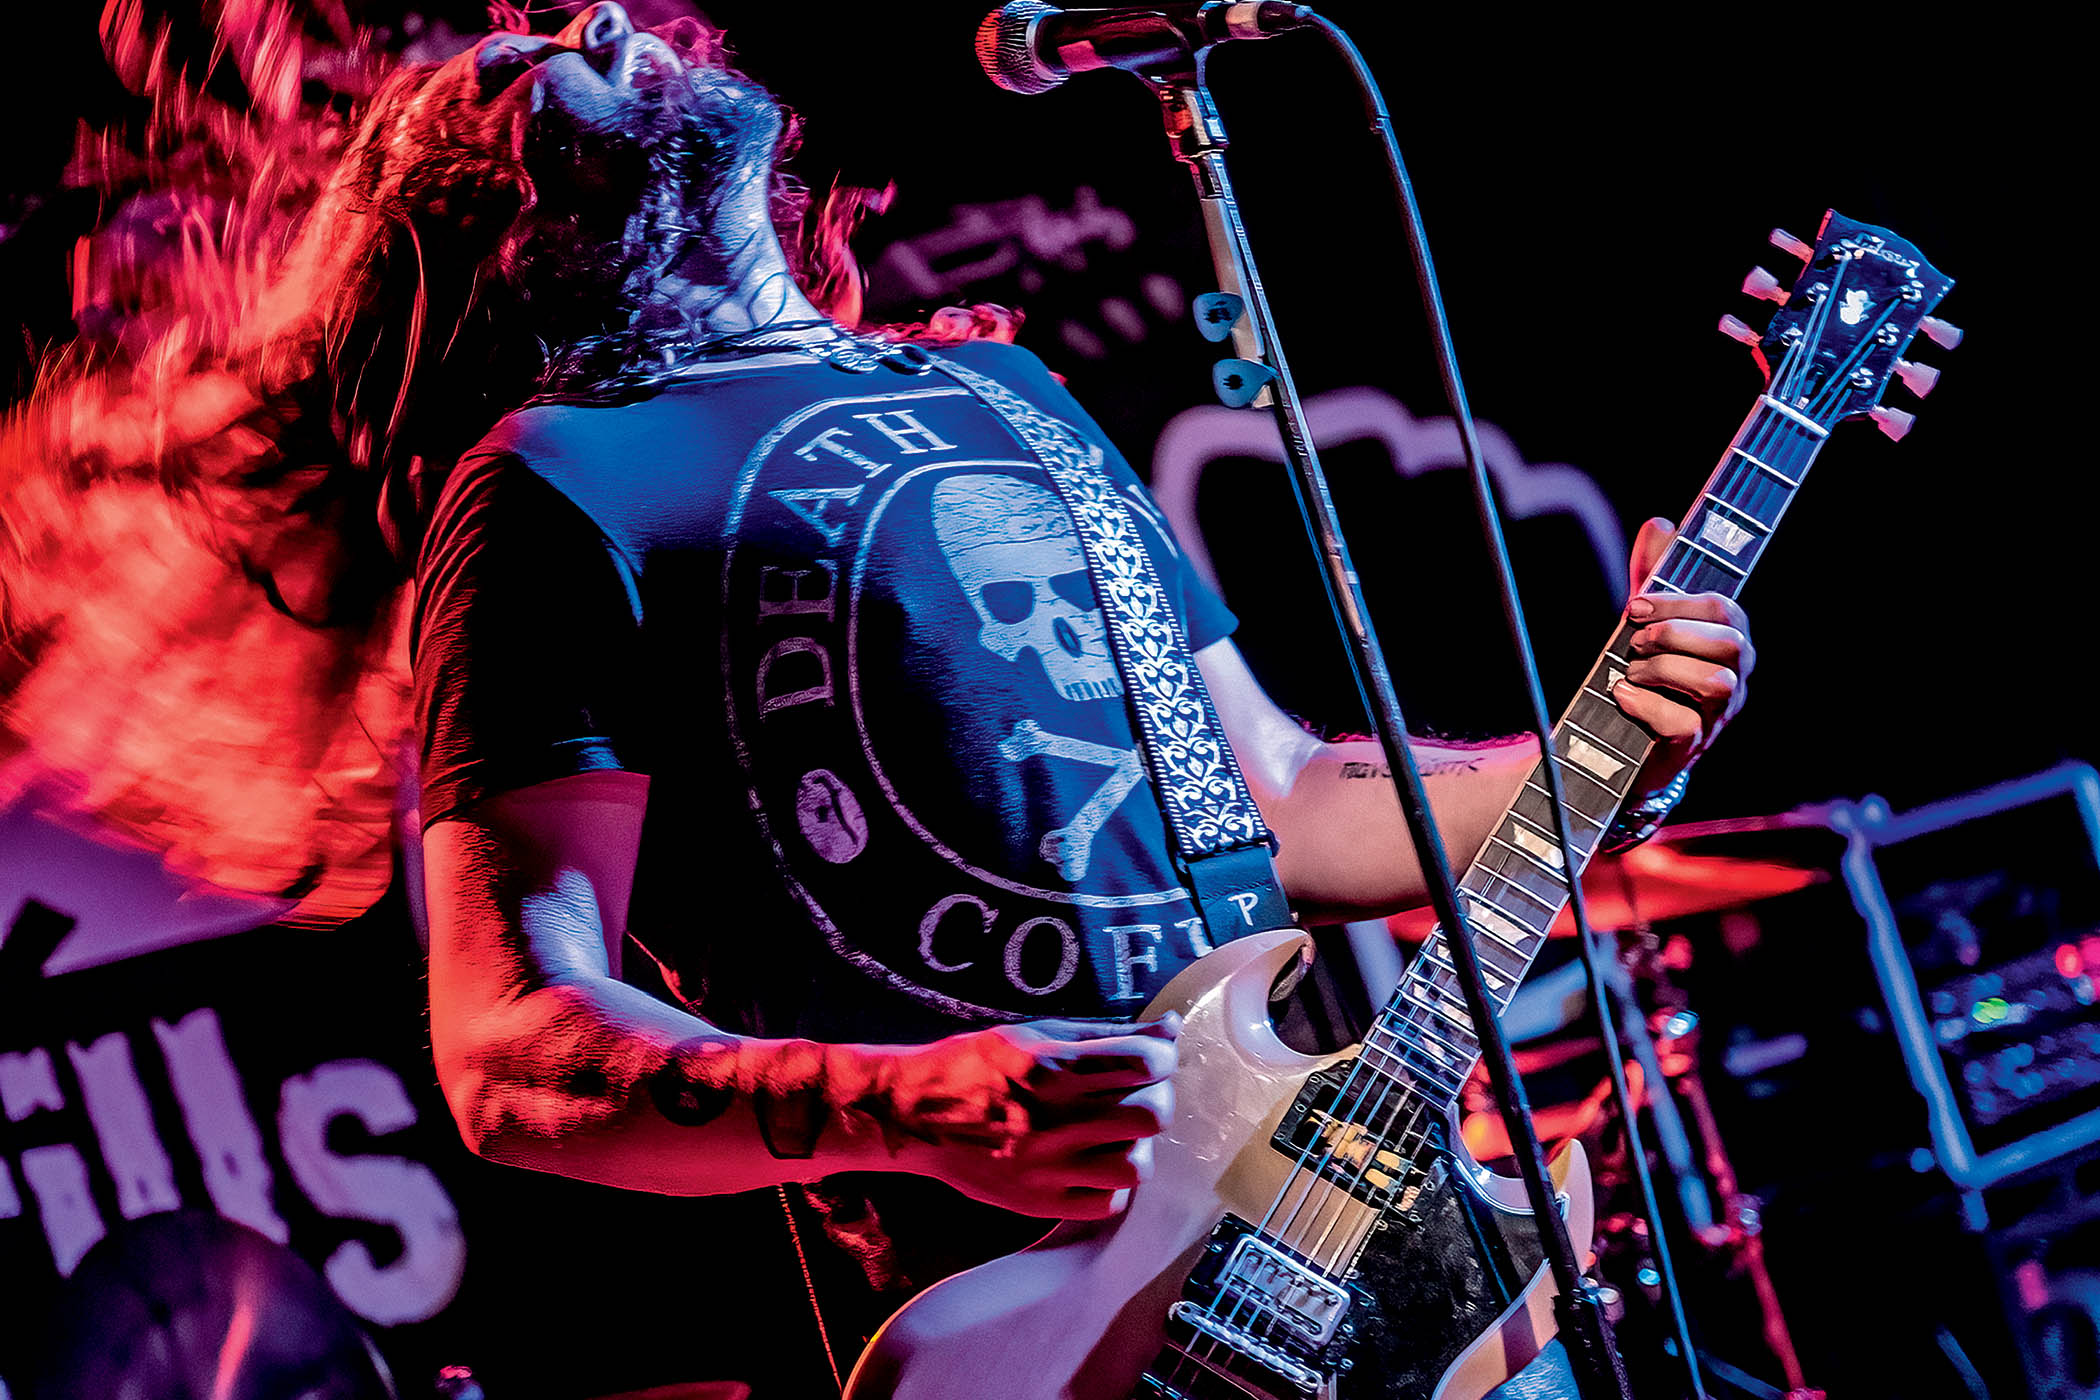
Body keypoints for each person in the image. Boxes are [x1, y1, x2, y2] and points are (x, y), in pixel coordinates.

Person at [404, 3, 1753, 1391]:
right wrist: (903, 1106)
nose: (593, 18)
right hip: (1038, 1335)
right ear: (488, 219)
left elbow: (1278, 799)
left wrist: (1606, 755)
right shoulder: (556, 482)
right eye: (513, 59)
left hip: (1351, 1271)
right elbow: (510, 1051)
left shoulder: (1003, 389)